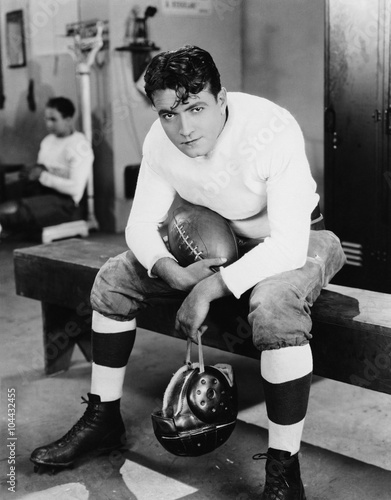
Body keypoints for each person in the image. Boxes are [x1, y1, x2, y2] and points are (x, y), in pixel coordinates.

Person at [30, 46, 346, 499]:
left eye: (196, 108)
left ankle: (284, 469)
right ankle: (103, 418)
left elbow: (288, 245)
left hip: (297, 239)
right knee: (115, 277)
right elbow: (138, 224)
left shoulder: (271, 127)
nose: (184, 128)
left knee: (274, 307)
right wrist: (169, 271)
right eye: (168, 115)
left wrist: (207, 291)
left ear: (222, 98)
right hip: (218, 236)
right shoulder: (162, 140)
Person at [0, 97, 93, 238]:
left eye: (54, 119)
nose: (48, 124)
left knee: (14, 211)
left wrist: (42, 176)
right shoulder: (48, 141)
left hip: (65, 202)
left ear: (68, 119)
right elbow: (41, 169)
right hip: (41, 192)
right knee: (8, 194)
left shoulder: (79, 146)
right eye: (46, 119)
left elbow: (75, 189)